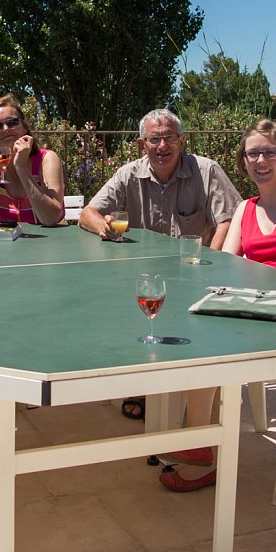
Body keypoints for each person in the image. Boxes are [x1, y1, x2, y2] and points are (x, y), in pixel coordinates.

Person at [159, 119, 276, 492]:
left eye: (269, 152)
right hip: (251, 308)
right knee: (196, 333)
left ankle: (198, 444)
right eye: (252, 153)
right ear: (243, 161)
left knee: (217, 346)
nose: (260, 160)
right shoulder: (245, 209)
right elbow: (227, 265)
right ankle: (199, 439)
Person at [80, 108, 242, 421]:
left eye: (169, 138)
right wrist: (106, 227)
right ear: (143, 145)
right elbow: (88, 213)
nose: (162, 146)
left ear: (182, 141)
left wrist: (211, 261)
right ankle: (144, 383)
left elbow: (229, 220)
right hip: (144, 279)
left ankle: (189, 390)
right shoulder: (129, 174)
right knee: (115, 308)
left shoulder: (206, 170)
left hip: (197, 276)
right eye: (155, 139)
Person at [0, 94, 66, 227]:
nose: (6, 129)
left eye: (13, 122)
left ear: (24, 127)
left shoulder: (46, 159)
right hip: (4, 244)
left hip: (49, 244)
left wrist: (21, 167)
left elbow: (51, 219)